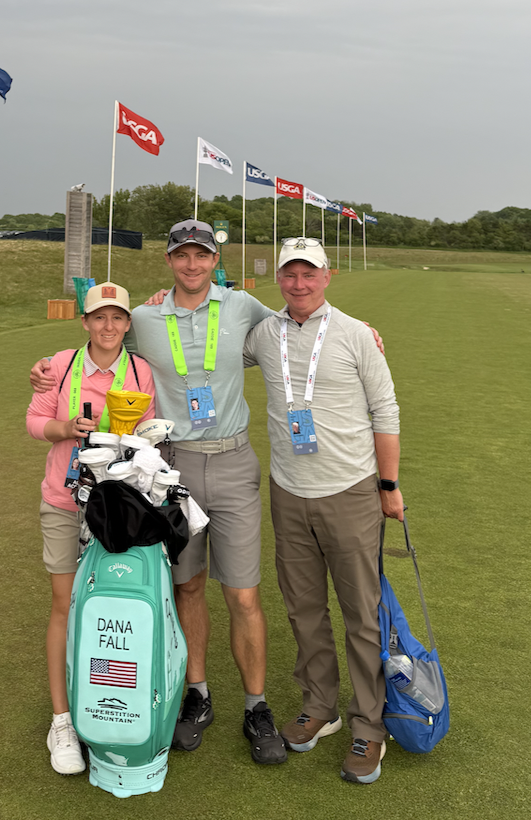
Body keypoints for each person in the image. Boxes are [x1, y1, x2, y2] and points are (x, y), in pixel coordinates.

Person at [32, 220, 287, 764]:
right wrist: (47, 370)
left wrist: (359, 327)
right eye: (182, 256)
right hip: (171, 470)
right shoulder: (146, 317)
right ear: (170, 261)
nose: (192, 265)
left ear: (216, 259)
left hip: (235, 459)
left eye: (202, 256)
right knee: (187, 588)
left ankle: (256, 706)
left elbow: (293, 326)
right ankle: (197, 695)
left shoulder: (241, 305)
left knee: (242, 593)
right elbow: (100, 340)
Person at [243, 237, 404, 784]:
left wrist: (388, 484)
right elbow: (208, 344)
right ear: (279, 279)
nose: (299, 283)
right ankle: (321, 707)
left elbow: (385, 408)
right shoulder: (264, 333)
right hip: (289, 491)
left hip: (351, 490)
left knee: (361, 614)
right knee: (303, 608)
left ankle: (369, 727)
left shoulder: (357, 335)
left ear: (327, 276)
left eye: (309, 273)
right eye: (289, 273)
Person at [26, 282, 156, 775]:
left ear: (128, 324)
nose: (108, 327)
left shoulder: (140, 370)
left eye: (118, 318)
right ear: (85, 322)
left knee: (114, 604)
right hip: (63, 500)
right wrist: (66, 430)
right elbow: (34, 422)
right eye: (99, 317)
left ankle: (113, 701)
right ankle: (61, 720)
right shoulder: (59, 366)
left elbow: (150, 429)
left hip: (117, 505)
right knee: (65, 603)